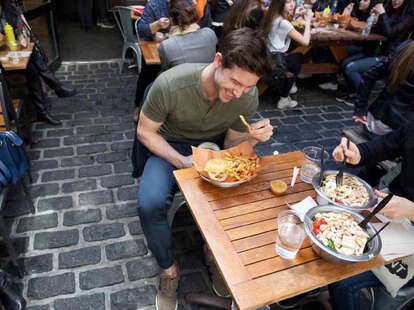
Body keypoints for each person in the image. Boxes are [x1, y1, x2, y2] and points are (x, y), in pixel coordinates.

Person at [134, 28, 273, 310]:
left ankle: (215, 255)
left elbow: (233, 144)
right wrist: (183, 162)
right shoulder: (171, 84)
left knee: (238, 198)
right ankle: (168, 270)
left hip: (214, 149)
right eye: (235, 82)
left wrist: (252, 139)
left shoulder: (246, 96)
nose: (239, 93)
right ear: (219, 60)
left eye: (247, 87)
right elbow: (145, 133)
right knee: (149, 203)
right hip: (169, 146)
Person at [329, 125, 414, 310]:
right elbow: (384, 146)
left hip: (408, 229)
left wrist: (412, 210)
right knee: (330, 224)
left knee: (342, 277)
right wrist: (357, 153)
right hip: (389, 209)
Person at [0, 0, 76, 125]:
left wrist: (20, 36)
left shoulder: (8, 9)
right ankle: (56, 88)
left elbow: (19, 24)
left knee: (33, 64)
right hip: (3, 60)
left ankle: (43, 110)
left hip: (11, 53)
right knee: (32, 66)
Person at [337, 0, 414, 105]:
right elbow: (377, 31)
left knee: (351, 68)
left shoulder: (408, 17)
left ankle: (362, 96)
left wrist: (382, 14)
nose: (396, 1)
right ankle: (353, 93)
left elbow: (390, 33)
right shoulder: (388, 9)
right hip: (376, 50)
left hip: (390, 55)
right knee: (343, 63)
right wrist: (374, 18)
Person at [352, 40, 414, 135]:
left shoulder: (405, 46)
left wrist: (360, 109)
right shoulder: (406, 47)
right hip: (392, 130)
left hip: (375, 120)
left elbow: (370, 74)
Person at [261, 0, 314, 109]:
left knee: (294, 54)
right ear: (279, 3)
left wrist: (295, 14)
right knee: (297, 58)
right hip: (276, 62)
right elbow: (305, 42)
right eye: (287, 2)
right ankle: (284, 97)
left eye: (293, 1)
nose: (292, 5)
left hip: (268, 56)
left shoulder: (271, 16)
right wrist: (308, 21)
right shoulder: (283, 23)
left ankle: (289, 86)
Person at [158, 0, 217, 71]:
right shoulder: (210, 34)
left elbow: (165, 72)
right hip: (207, 79)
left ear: (172, 19)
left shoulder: (166, 46)